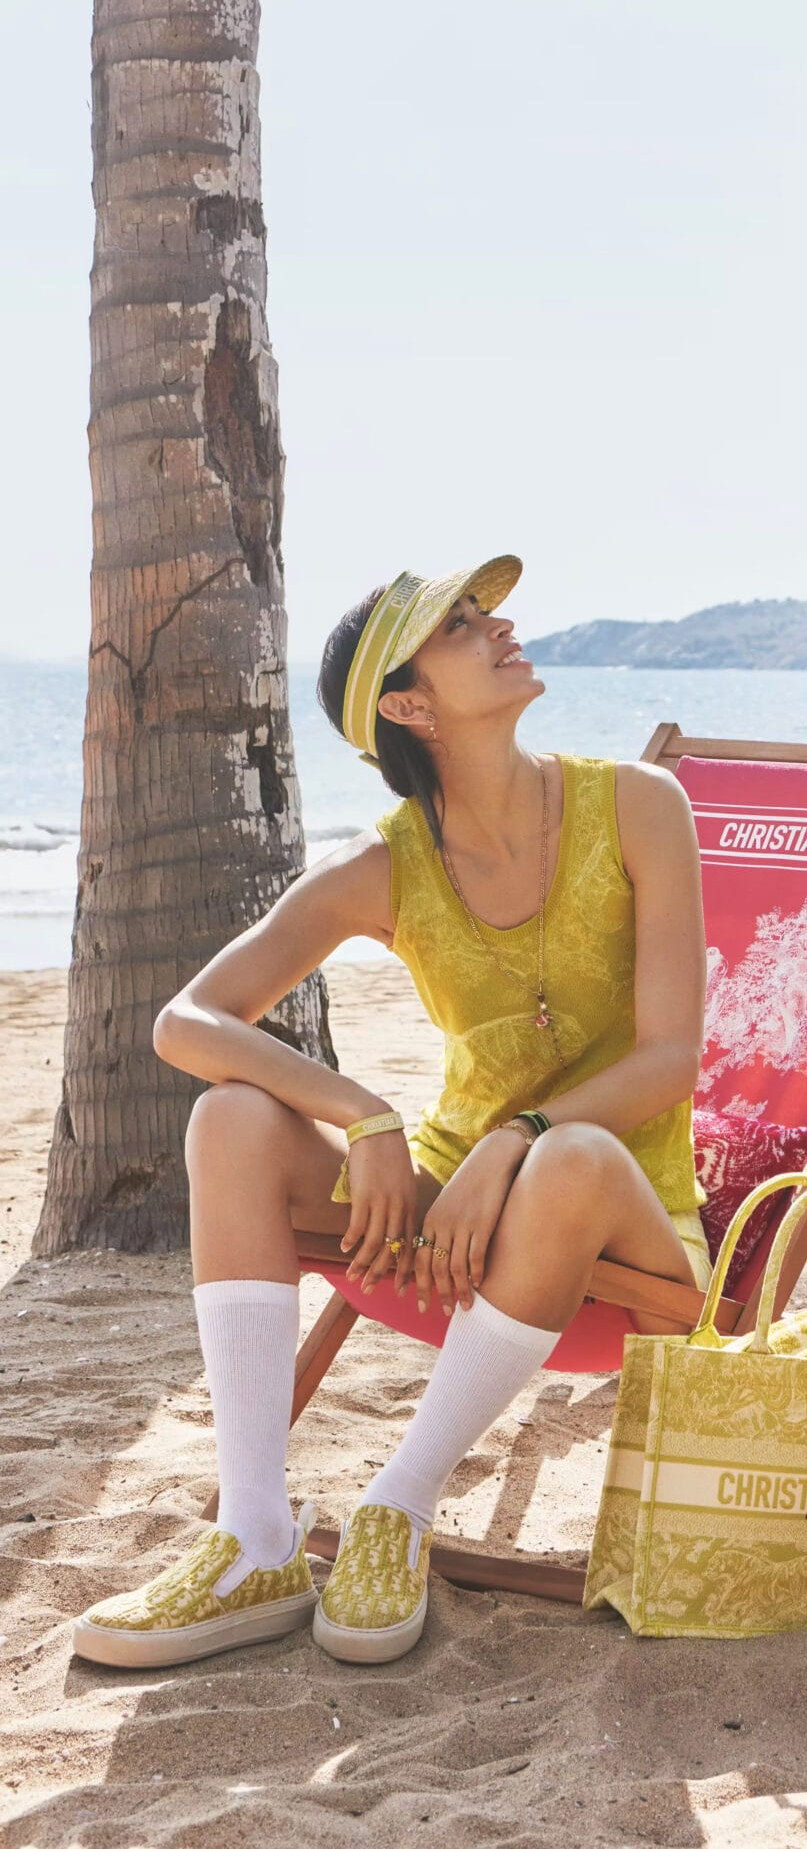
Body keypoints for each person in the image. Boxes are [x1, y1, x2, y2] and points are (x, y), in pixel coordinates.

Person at [71, 555, 707, 1669]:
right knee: (228, 1119)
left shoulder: (639, 806)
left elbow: (670, 1056)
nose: (498, 625)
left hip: (617, 1227)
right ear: (408, 706)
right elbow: (187, 1020)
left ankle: (398, 1502)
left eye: (482, 611)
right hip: (446, 1233)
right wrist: (363, 1114)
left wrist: (514, 1141)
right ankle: (255, 1538)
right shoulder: (386, 865)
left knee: (568, 1157)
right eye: (459, 625)